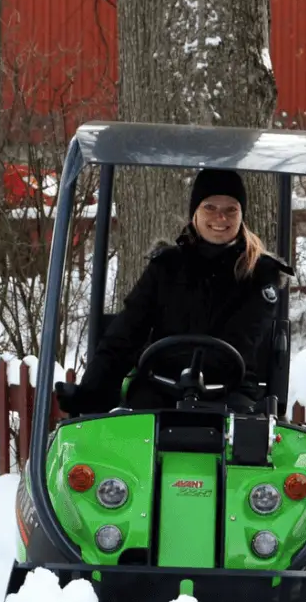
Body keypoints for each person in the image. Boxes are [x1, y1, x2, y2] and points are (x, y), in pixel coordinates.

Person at [56, 168, 292, 416]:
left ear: (242, 215)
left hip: (229, 389)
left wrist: (190, 373)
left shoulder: (260, 274)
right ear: (195, 212)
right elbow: (126, 332)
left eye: (231, 209)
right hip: (160, 386)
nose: (220, 217)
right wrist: (90, 393)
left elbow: (244, 337)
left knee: (242, 426)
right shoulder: (166, 266)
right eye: (210, 207)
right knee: (135, 417)